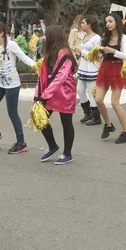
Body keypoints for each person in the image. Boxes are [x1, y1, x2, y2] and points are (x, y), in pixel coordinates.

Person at [0, 21, 35, 154]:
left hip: (12, 83)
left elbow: (23, 57)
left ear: (1, 33)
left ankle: (21, 143)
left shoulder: (11, 44)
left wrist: (37, 66)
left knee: (12, 112)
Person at [35, 26, 78, 165]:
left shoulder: (66, 54)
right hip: (49, 92)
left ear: (53, 37)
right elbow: (41, 77)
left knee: (66, 121)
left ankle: (67, 153)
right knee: (39, 118)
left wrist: (44, 96)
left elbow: (61, 77)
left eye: (47, 36)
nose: (44, 38)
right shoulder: (48, 54)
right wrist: (38, 95)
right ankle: (52, 146)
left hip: (65, 92)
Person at [95, 13, 126, 143]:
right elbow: (98, 52)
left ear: (116, 22)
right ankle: (108, 125)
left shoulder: (123, 38)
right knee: (98, 99)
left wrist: (113, 51)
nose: (108, 24)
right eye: (106, 22)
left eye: (110, 21)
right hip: (105, 68)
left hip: (117, 69)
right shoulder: (104, 37)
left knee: (115, 103)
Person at [77, 16, 102, 125]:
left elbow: (96, 55)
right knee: (80, 90)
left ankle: (96, 116)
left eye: (83, 22)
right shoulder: (84, 36)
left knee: (92, 92)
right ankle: (87, 113)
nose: (81, 24)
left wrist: (81, 51)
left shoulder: (97, 38)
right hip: (83, 66)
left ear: (89, 24)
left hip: (92, 67)